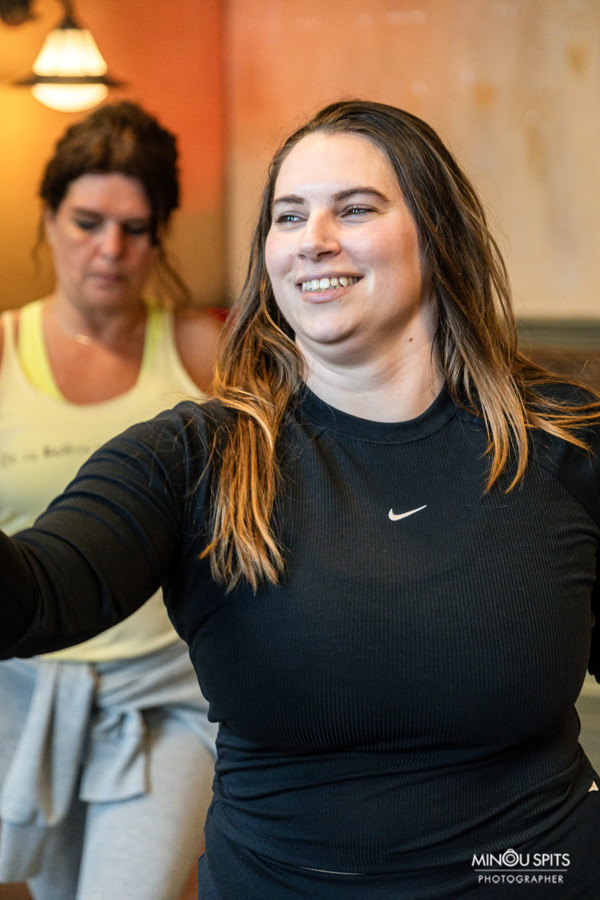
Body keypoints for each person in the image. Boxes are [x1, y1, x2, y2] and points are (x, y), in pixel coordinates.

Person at [1, 98, 600, 899]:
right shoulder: (192, 458)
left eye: (354, 209)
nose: (312, 238)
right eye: (289, 216)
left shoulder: (562, 443)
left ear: (436, 232)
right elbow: (37, 596)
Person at [0, 101, 221, 900]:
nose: (111, 249)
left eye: (135, 228)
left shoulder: (202, 353)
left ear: (159, 235)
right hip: (21, 689)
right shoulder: (3, 348)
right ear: (48, 218)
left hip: (165, 696)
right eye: (88, 222)